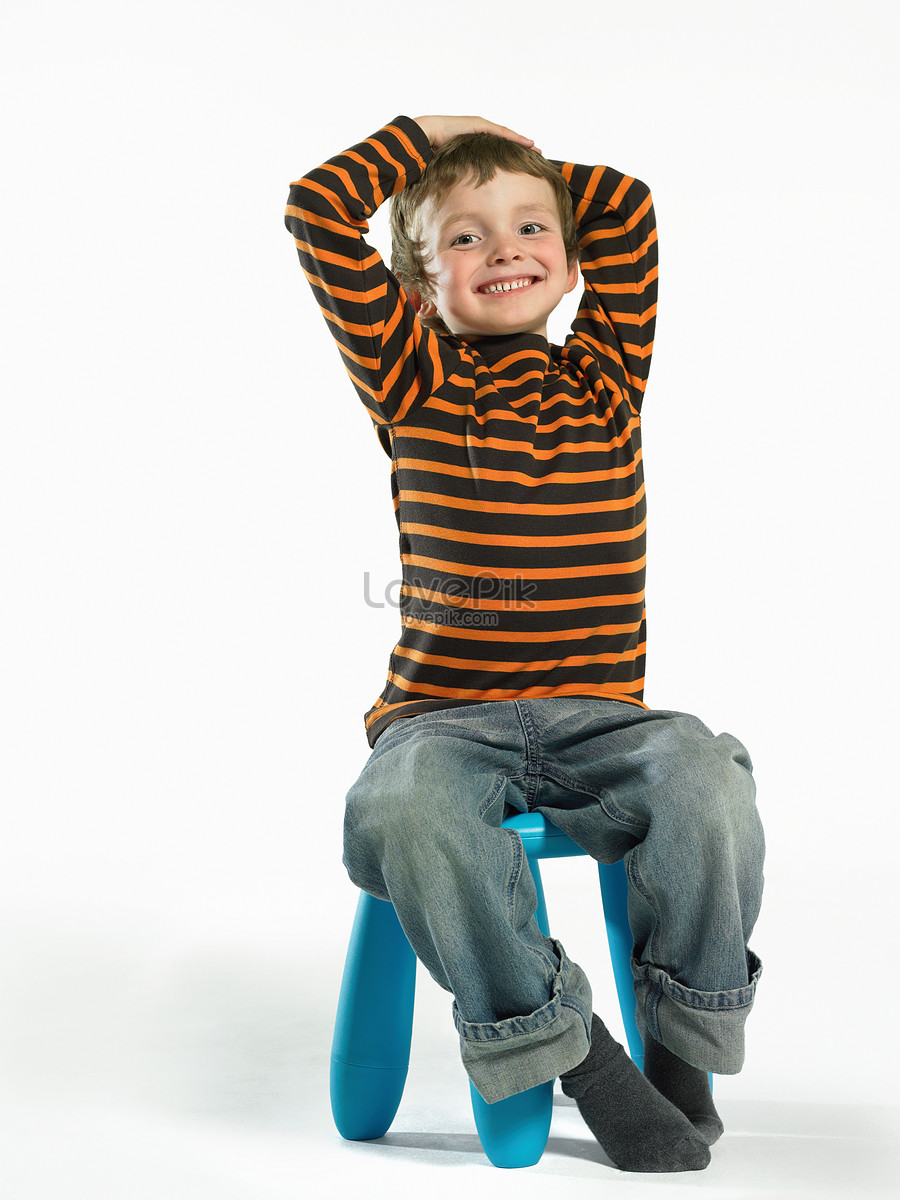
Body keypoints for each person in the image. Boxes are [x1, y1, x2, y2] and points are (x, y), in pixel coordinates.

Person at [284, 114, 764, 1172]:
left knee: (710, 780)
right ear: (418, 289)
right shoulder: (413, 379)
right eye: (466, 238)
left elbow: (628, 206)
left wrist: (516, 161)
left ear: (570, 255)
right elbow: (319, 212)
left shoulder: (608, 374)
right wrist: (437, 134)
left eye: (531, 227)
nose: (505, 249)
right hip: (443, 728)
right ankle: (574, 1053)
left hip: (607, 722)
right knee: (410, 812)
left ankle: (680, 1048)